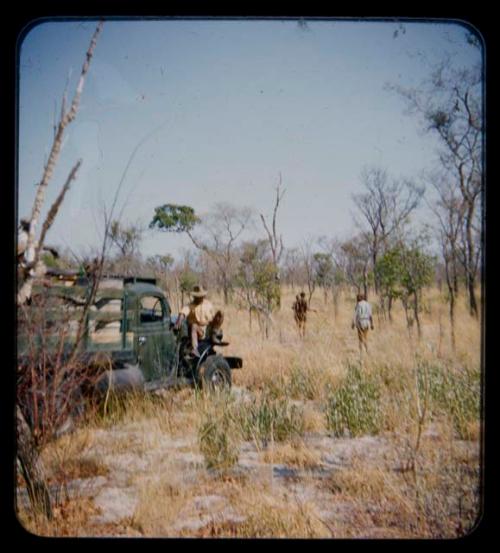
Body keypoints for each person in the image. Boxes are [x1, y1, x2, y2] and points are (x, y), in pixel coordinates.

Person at [175, 285, 215, 357]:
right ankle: (194, 349)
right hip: (193, 331)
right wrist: (179, 321)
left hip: (205, 331)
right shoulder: (190, 305)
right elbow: (183, 312)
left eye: (200, 296)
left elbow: (212, 319)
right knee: (193, 326)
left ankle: (196, 349)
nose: (198, 298)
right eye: (196, 296)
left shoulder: (208, 305)